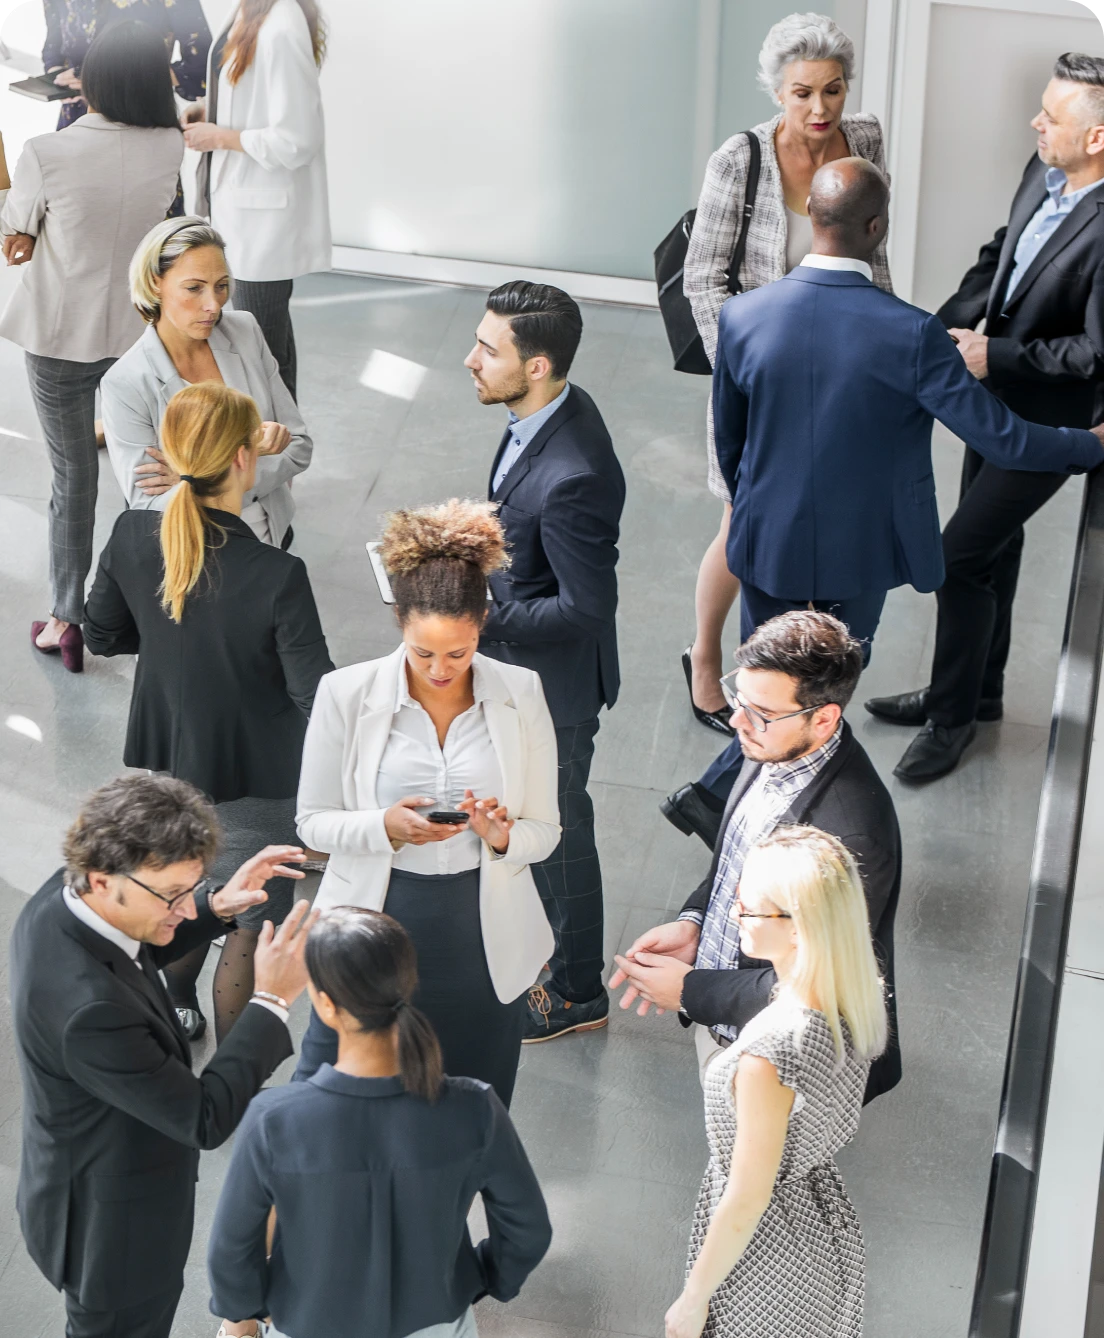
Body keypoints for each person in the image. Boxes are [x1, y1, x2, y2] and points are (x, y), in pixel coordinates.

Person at [685, 155, 1104, 809]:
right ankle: (745, 804)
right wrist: (1090, 443)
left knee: (769, 681)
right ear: (877, 227)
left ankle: (731, 803)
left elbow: (730, 443)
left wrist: (762, 502)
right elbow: (1003, 439)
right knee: (829, 683)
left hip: (769, 538)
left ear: (810, 215)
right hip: (864, 549)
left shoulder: (742, 317)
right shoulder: (914, 334)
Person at [9, 772, 318, 1338]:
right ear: (103, 880)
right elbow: (204, 1117)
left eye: (190, 886)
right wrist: (273, 998)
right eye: (173, 894)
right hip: (112, 1239)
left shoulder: (69, 897)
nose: (184, 908)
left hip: (92, 1172)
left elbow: (132, 948)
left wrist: (217, 904)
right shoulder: (90, 1013)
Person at [868, 53, 1104, 781]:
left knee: (960, 557)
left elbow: (1095, 354)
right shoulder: (1045, 169)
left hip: (1051, 423)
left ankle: (951, 719)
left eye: (1052, 116)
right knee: (994, 548)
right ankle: (981, 692)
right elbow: (1001, 255)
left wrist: (994, 355)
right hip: (992, 402)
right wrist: (937, 333)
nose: (1035, 123)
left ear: (1096, 137)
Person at [83, 383, 333, 1041]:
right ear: (245, 460)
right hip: (257, 778)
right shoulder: (276, 574)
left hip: (166, 768)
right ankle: (234, 1078)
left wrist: (168, 639)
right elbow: (317, 696)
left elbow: (100, 633)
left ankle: (178, 1008)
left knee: (180, 894)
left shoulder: (132, 533)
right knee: (251, 922)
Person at [295, 499, 560, 1105]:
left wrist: (501, 836)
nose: (440, 669)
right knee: (343, 1099)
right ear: (399, 622)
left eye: (458, 653)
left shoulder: (521, 693)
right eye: (423, 652)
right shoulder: (344, 693)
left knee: (471, 1100)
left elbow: (545, 829)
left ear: (483, 623)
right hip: (374, 919)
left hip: (481, 933)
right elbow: (312, 820)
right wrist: (384, 826)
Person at [682, 11, 891, 736]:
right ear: (777, 91)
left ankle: (794, 668)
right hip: (760, 379)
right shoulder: (738, 161)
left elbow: (872, 254)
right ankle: (706, 659)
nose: (819, 108)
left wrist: (885, 350)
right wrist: (746, 371)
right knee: (742, 521)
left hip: (840, 378)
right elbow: (703, 280)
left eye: (832, 90)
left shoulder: (864, 141)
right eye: (802, 93)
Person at [208, 907, 553, 1338]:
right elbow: (528, 1229)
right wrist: (481, 1278)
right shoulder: (474, 1108)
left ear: (326, 1005)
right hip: (437, 1322)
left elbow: (230, 1250)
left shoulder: (273, 1120)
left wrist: (255, 1307)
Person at [614, 611, 900, 1102]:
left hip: (783, 1064)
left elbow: (820, 983)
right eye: (739, 699)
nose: (736, 721)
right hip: (726, 1023)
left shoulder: (852, 837)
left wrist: (691, 991)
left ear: (824, 718)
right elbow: (735, 858)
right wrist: (696, 922)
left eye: (761, 712)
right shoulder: (773, 744)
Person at [464, 281, 626, 1043]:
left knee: (559, 834)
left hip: (554, 693)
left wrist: (479, 617)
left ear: (536, 366)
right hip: (523, 672)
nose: (471, 359)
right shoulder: (544, 411)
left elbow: (586, 608)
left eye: (487, 349)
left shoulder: (573, 475)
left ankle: (577, 990)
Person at [0, 21, 184, 672]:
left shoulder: (47, 152)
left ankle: (66, 619)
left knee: (73, 478)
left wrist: (24, 231)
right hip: (139, 339)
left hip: (59, 337)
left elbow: (14, 232)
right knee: (149, 475)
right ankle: (158, 611)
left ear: (94, 80)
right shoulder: (171, 145)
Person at [663, 826, 886, 1338]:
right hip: (824, 1228)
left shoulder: (769, 1054)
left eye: (749, 909)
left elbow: (747, 1198)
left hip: (767, 1256)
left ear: (797, 927)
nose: (734, 915)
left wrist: (693, 1300)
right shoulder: (854, 997)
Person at [102, 217, 312, 549]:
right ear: (155, 282)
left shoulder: (244, 331)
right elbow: (148, 505)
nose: (214, 305)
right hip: (196, 552)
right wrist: (248, 453)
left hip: (271, 537)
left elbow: (299, 446)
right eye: (194, 288)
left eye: (221, 285)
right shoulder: (126, 382)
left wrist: (193, 479)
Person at [183, 0, 331, 399]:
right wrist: (210, 110)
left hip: (262, 224)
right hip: (240, 211)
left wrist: (221, 137)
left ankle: (272, 435)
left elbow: (297, 139)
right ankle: (283, 433)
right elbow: (250, 96)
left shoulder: (282, 26)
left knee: (261, 352)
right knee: (268, 343)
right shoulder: (249, 9)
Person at [42, 0, 209, 130]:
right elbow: (53, 49)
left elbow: (202, 68)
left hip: (139, 121)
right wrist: (59, 81)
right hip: (76, 122)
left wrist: (108, 77)